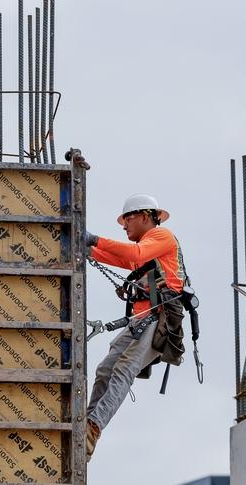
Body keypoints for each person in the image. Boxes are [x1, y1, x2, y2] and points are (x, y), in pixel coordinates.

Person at [83, 193, 187, 461]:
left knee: (123, 369)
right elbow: (124, 260)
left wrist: (93, 239)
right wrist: (87, 250)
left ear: (145, 217)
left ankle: (93, 427)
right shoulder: (146, 250)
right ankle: (84, 425)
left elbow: (134, 254)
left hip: (159, 319)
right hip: (142, 320)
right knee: (105, 369)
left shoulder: (161, 237)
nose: (124, 225)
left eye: (127, 219)